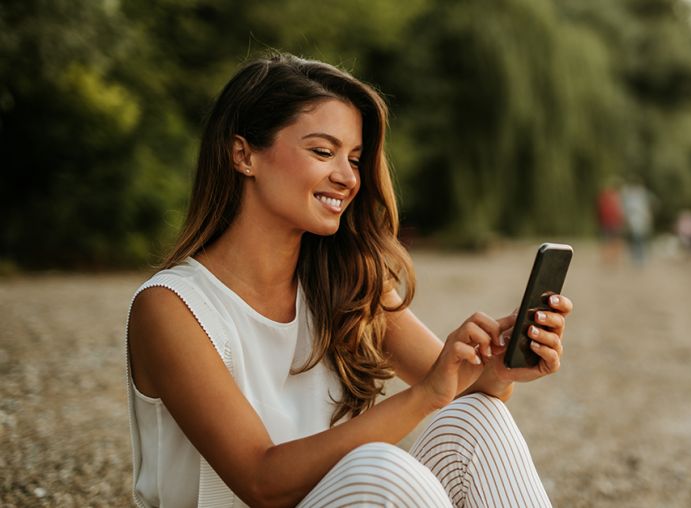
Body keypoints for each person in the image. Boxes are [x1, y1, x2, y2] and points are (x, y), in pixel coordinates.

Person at [125, 53, 572, 507]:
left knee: (477, 420)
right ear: (243, 155)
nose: (346, 178)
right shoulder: (173, 307)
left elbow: (463, 389)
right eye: (323, 152)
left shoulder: (346, 283)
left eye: (355, 159)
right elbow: (260, 481)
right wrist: (424, 396)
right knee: (382, 472)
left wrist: (499, 369)